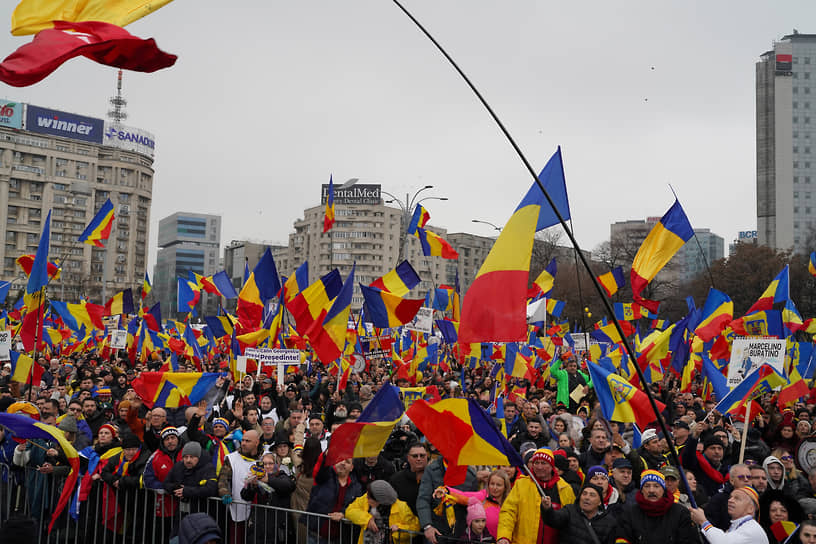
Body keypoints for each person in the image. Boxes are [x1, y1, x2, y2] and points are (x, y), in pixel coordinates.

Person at [497, 448, 575, 544]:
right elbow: (508, 512)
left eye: (543, 463)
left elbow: (572, 520)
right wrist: (504, 536)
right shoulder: (521, 485)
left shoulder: (565, 489)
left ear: (552, 466)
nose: (539, 467)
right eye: (536, 463)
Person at [614, 469, 697, 544]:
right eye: (647, 486)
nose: (651, 490)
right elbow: (622, 538)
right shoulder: (629, 514)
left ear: (663, 490)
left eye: (656, 486)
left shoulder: (680, 513)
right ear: (642, 490)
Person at [417, 456, 477, 544]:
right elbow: (423, 499)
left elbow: (473, 505)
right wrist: (427, 526)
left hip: (460, 534)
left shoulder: (470, 474)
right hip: (436, 532)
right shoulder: (431, 470)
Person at [240, 452, 296, 544]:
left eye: (270, 463)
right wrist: (252, 485)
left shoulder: (282, 475)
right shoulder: (256, 477)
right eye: (264, 464)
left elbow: (289, 486)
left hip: (277, 528)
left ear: (276, 465)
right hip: (259, 527)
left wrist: (268, 480)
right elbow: (245, 496)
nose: (267, 466)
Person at [304, 457, 363, 544]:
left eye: (347, 462)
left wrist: (344, 514)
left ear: (351, 468)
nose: (343, 463)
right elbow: (321, 470)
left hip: (338, 537)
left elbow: (357, 507)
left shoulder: (356, 487)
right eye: (340, 459)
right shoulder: (325, 477)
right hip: (316, 535)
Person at [438, 469, 511, 539]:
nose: (494, 488)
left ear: (505, 487)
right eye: (492, 484)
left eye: (498, 485)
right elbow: (462, 496)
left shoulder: (510, 502)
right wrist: (446, 491)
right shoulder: (482, 496)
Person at [217, 429, 261, 544]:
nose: (244, 443)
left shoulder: (263, 459)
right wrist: (225, 493)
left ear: (256, 442)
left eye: (248, 441)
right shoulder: (232, 459)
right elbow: (223, 479)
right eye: (243, 440)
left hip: (258, 509)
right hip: (237, 507)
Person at [345, 480, 420, 544]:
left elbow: (415, 527)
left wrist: (399, 529)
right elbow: (349, 511)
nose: (367, 499)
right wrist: (366, 520)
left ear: (381, 500)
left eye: (370, 498)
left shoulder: (401, 507)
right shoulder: (367, 497)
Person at [540, 481, 617, 544]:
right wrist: (547, 509)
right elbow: (553, 519)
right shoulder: (569, 511)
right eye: (584, 493)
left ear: (600, 502)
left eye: (592, 495)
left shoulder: (609, 522)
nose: (587, 497)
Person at [690, 485, 768, 543]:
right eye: (730, 497)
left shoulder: (751, 529)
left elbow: (722, 542)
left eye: (737, 498)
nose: (730, 500)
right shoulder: (739, 525)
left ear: (750, 509)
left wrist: (703, 522)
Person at [164, 441, 218, 516]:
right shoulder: (178, 466)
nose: (188, 460)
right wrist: (177, 489)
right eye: (186, 457)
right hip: (181, 513)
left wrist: (187, 491)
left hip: (202, 513)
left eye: (192, 457)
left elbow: (211, 489)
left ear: (198, 457)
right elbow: (166, 483)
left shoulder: (208, 468)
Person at [704, 463, 751, 530]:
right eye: (741, 477)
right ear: (732, 481)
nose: (746, 480)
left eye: (749, 477)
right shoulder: (719, 500)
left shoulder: (755, 499)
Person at [390, 442, 429, 517]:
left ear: (427, 456)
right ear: (408, 458)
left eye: (422, 456)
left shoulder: (436, 477)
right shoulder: (396, 480)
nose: (419, 459)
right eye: (415, 456)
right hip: (405, 524)